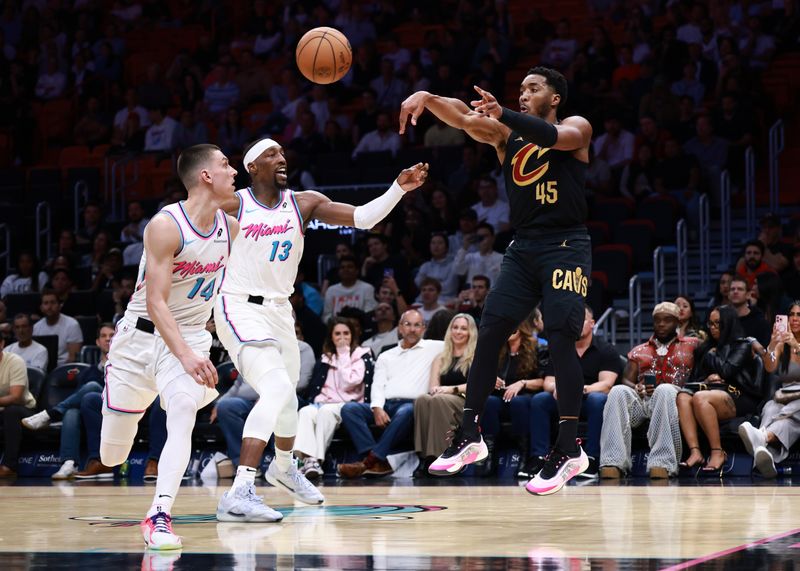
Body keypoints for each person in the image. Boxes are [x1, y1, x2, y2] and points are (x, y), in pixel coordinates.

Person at [400, 66, 595, 494]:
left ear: (555, 97)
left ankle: (569, 447)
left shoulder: (576, 127)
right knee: (488, 332)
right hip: (524, 247)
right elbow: (465, 119)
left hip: (566, 243)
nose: (524, 94)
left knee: (561, 337)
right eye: (520, 88)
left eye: (533, 88)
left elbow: (554, 139)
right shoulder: (508, 136)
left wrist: (504, 111)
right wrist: (428, 96)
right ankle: (470, 435)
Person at [213, 138, 428, 520]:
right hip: (239, 304)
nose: (281, 159)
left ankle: (282, 467)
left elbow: (364, 218)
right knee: (277, 388)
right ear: (252, 168)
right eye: (270, 155)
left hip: (280, 310)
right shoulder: (233, 204)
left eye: (282, 153)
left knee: (289, 401)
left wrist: (398, 188)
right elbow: (182, 226)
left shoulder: (304, 202)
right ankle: (241, 489)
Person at [99, 144, 239, 550]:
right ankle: (131, 399)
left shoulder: (229, 228)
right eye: (226, 165)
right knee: (112, 455)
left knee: (181, 410)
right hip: (139, 340)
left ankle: (158, 514)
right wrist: (185, 355)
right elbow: (157, 303)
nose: (234, 172)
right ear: (206, 176)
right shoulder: (165, 226)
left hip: (192, 335)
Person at [599, 302, 701, 479]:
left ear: (677, 322)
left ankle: (662, 463)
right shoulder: (639, 351)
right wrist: (636, 387)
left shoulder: (692, 345)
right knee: (617, 391)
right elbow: (626, 379)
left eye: (667, 320)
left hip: (675, 402)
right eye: (657, 320)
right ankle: (613, 461)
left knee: (664, 390)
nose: (661, 324)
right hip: (643, 402)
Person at [337, 309, 443, 478]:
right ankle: (377, 460)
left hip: (413, 406)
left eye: (417, 325)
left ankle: (369, 462)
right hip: (387, 405)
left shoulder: (435, 347)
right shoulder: (386, 355)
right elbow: (377, 385)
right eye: (408, 324)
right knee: (349, 409)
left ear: (424, 328)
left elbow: (460, 343)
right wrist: (377, 408)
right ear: (400, 328)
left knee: (406, 410)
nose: (412, 329)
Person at [519, 305, 621, 479]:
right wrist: (558, 387)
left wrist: (579, 389)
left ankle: (592, 458)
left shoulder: (606, 350)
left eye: (581, 319)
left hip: (588, 398)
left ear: (592, 323)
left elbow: (606, 384)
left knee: (598, 399)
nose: (576, 323)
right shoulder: (560, 349)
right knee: (540, 400)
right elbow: (548, 383)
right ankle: (539, 457)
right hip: (564, 399)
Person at [677, 305, 760, 473]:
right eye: (710, 324)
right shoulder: (705, 348)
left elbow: (727, 371)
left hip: (738, 395)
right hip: (710, 392)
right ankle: (695, 451)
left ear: (728, 323)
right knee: (683, 397)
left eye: (717, 323)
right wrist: (707, 378)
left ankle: (717, 452)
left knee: (701, 398)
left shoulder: (741, 345)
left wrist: (712, 355)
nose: (713, 328)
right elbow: (693, 380)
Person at [295, 317, 373, 478]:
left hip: (345, 404)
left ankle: (315, 460)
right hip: (321, 403)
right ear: (331, 336)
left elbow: (349, 383)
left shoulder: (362, 354)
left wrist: (344, 354)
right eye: (337, 334)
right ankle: (308, 461)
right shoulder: (326, 358)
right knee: (305, 412)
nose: (342, 337)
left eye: (346, 333)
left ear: (353, 335)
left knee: (326, 412)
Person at [739, 301, 800, 477]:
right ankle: (764, 455)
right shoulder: (782, 343)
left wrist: (796, 345)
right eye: (792, 314)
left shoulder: (793, 343)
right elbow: (769, 368)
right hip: (786, 397)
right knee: (771, 408)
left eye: (799, 315)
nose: (795, 319)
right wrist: (773, 344)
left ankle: (762, 438)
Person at [414, 314, 478, 472]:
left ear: (471, 332)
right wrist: (436, 390)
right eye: (455, 328)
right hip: (442, 399)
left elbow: (478, 385)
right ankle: (424, 457)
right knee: (422, 399)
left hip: (466, 400)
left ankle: (445, 456)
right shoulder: (441, 358)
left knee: (439, 400)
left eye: (464, 328)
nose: (458, 332)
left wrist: (450, 389)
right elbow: (433, 386)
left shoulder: (476, 356)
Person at [0, 335, 38, 478]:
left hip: (25, 410)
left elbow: (15, 397)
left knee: (11, 411)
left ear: (2, 343)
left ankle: (9, 466)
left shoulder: (14, 361)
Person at [32, 290, 84, 366]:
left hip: (64, 368)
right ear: (41, 308)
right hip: (42, 367)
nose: (49, 307)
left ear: (60, 306)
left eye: (53, 302)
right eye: (46, 303)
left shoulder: (72, 324)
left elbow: (73, 358)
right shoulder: (36, 327)